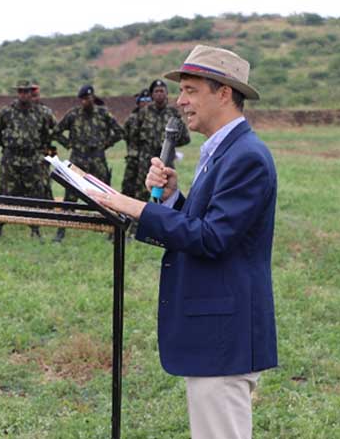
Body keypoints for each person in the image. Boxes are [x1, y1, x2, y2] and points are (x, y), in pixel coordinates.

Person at [92, 45, 277, 439]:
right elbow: (208, 223)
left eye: (191, 90)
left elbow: (213, 239)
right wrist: (176, 199)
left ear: (224, 92)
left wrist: (137, 208)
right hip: (215, 332)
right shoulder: (224, 151)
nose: (180, 100)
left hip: (224, 336)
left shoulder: (246, 156)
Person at [52, 84, 123, 242]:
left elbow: (120, 132)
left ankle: (113, 231)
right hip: (77, 160)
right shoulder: (73, 114)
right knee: (70, 196)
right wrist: (68, 144)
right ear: (80, 100)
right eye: (84, 99)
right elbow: (56, 132)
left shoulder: (103, 114)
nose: (87, 102)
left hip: (97, 159)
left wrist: (106, 143)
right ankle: (61, 231)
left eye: (89, 98)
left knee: (105, 196)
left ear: (93, 98)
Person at [0, 80, 54, 242]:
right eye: (21, 91)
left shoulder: (43, 112)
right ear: (17, 93)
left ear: (32, 93)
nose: (24, 95)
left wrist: (39, 150)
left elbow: (50, 133)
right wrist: (9, 146)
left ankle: (35, 229)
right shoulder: (7, 112)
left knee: (34, 195)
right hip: (11, 159)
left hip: (32, 159)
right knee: (5, 194)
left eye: (27, 91)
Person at [122, 79, 192, 201]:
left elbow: (185, 138)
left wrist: (170, 145)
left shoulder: (173, 114)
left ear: (166, 94)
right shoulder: (143, 113)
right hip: (145, 163)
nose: (159, 94)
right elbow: (133, 136)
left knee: (165, 196)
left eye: (162, 91)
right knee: (141, 196)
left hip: (166, 163)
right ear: (152, 94)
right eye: (156, 91)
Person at [120, 89, 153, 198]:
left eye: (148, 100)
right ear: (138, 102)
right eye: (143, 100)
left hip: (149, 160)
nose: (146, 103)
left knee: (144, 189)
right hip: (133, 159)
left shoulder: (155, 119)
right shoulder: (132, 118)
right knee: (128, 187)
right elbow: (125, 135)